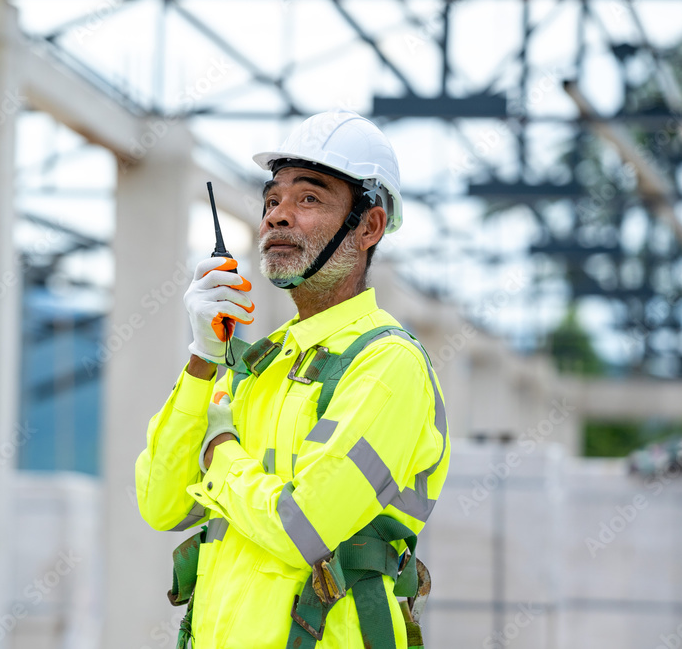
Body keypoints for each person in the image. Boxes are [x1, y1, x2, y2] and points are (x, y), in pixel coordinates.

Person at [135, 110, 451, 649]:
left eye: (309, 199)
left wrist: (221, 455)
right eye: (273, 200)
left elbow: (302, 527)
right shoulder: (264, 364)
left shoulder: (388, 366)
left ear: (369, 227)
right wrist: (202, 359)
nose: (277, 217)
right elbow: (161, 502)